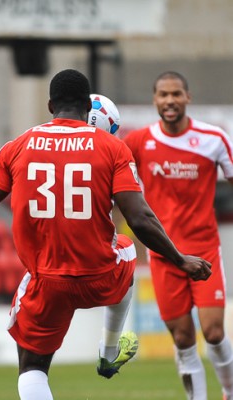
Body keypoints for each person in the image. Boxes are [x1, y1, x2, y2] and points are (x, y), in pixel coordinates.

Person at [0, 69, 212, 400]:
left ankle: (96, 352)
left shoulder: (18, 146)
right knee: (127, 248)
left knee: (32, 369)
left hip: (46, 281)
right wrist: (179, 259)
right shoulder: (113, 148)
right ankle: (108, 348)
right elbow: (141, 218)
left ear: (49, 105)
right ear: (89, 106)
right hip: (101, 275)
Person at [123, 71, 233, 400]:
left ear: (188, 97)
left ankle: (228, 390)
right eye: (163, 95)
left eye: (176, 94)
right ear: (154, 100)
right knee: (184, 339)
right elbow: (115, 187)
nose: (169, 101)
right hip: (164, 254)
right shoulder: (138, 142)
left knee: (213, 332)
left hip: (205, 250)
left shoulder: (213, 137)